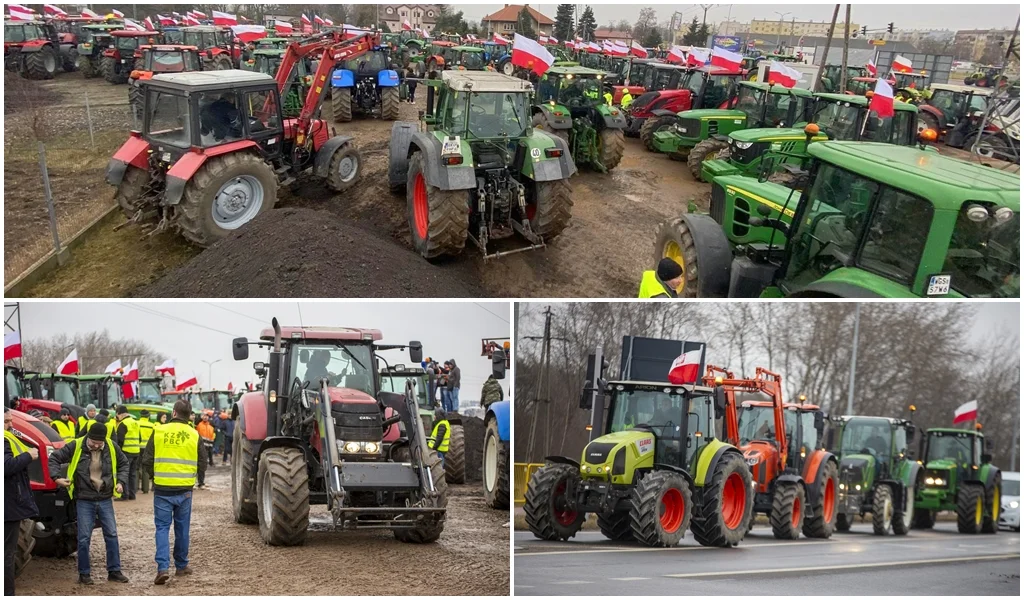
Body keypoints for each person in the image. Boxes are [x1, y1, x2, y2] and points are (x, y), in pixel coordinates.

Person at [48, 422, 129, 585]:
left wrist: (121, 482)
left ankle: (114, 571)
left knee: (112, 535)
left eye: (100, 443)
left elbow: (124, 464)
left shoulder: (111, 447)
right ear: (88, 438)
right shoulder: (76, 445)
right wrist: (56, 477)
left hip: (105, 498)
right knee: (84, 537)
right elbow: (55, 458)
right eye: (93, 442)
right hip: (84, 499)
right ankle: (84, 574)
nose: (96, 446)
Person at [142, 400, 205, 585]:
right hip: (185, 489)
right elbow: (203, 463)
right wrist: (195, 479)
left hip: (162, 489)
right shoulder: (194, 434)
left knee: (162, 528)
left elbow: (146, 460)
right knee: (182, 528)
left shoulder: (159, 430)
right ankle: (181, 565)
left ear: (174, 413)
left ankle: (162, 568)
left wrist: (155, 477)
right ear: (189, 415)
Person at [5, 408, 39, 596]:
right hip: (8, 506)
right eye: (6, 421)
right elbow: (5, 466)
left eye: (11, 420)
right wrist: (29, 456)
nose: (11, 424)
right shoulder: (3, 440)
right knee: (7, 555)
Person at [114, 406, 142, 500]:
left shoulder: (123, 424)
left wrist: (118, 452)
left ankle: (124, 495)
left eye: (117, 415)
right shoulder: (135, 422)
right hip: (136, 452)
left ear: (120, 413)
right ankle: (132, 494)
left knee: (124, 473)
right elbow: (140, 438)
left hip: (126, 452)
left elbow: (120, 440)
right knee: (132, 474)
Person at [137, 410, 156, 495]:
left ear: (140, 416)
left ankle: (135, 488)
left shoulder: (136, 424)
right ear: (148, 416)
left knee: (136, 468)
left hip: (137, 447)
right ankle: (145, 489)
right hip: (147, 449)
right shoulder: (152, 426)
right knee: (145, 468)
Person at [196, 414, 215, 487]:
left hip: (208, 448)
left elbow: (211, 438)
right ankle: (199, 482)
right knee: (200, 465)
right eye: (204, 415)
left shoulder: (211, 427)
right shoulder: (198, 426)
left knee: (203, 465)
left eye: (207, 416)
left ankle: (201, 482)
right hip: (200, 448)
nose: (205, 417)